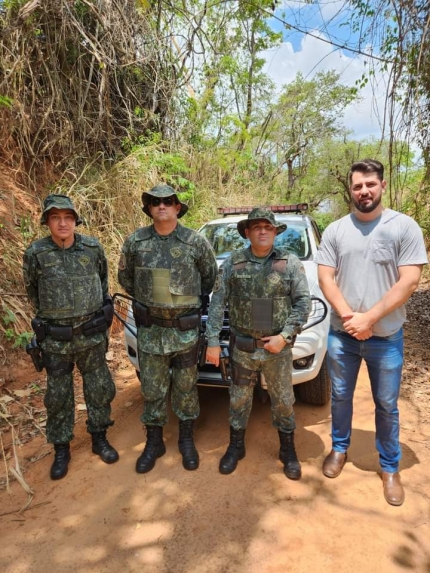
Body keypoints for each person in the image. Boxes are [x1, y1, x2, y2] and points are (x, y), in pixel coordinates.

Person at [315, 159, 428, 506]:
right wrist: (351, 318)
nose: (363, 191)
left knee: (387, 404)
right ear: (350, 189)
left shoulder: (403, 227)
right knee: (340, 396)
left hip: (387, 337)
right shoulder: (336, 230)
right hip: (342, 335)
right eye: (357, 186)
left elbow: (410, 280)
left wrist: (370, 318)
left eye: (370, 184)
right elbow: (325, 278)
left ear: (381, 185)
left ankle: (390, 466)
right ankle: (339, 448)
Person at [118, 184, 217, 473]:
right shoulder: (135, 242)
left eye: (168, 201)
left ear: (177, 207)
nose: (162, 206)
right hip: (150, 333)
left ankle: (186, 439)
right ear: (149, 207)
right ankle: (154, 442)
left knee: (186, 387)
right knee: (152, 389)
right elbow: (126, 278)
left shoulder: (194, 242)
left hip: (184, 334)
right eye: (156, 202)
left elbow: (209, 279)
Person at [205, 208, 311, 479]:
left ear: (275, 232)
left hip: (277, 349)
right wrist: (213, 341)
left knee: (284, 401)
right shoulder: (233, 263)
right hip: (243, 348)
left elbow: (302, 303)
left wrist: (285, 336)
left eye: (268, 227)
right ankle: (236, 446)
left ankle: (287, 450)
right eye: (257, 227)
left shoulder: (290, 262)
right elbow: (217, 302)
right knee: (238, 399)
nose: (262, 231)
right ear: (247, 232)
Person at [23, 194, 118, 481]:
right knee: (58, 396)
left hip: (90, 336)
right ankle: (61, 448)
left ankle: (99, 438)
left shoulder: (92, 248)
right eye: (55, 217)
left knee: (99, 388)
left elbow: (103, 284)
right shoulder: (36, 253)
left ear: (76, 220)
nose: (62, 223)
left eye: (68, 217)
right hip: (56, 340)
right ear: (47, 221)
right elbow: (33, 293)